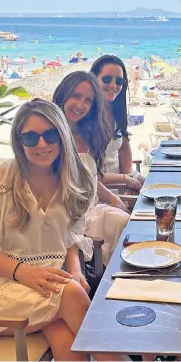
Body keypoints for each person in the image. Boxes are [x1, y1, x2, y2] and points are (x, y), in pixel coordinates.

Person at [0, 99, 120, 361]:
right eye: (30, 137)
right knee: (72, 295)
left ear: (62, 135)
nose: (42, 144)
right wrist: (24, 272)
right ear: (18, 141)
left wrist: (73, 269)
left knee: (68, 345)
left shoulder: (74, 178)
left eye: (50, 134)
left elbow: (71, 235)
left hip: (46, 283)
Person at [52, 72, 131, 263]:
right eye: (76, 96)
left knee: (128, 222)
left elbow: (91, 178)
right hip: (59, 212)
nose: (80, 105)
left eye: (88, 101)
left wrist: (113, 199)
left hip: (90, 207)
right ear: (63, 95)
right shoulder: (48, 134)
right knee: (122, 222)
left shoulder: (90, 134)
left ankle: (122, 281)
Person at [90, 55, 145, 189]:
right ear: (93, 79)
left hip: (123, 181)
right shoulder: (86, 116)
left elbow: (124, 147)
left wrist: (129, 176)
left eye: (119, 81)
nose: (114, 85)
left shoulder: (115, 111)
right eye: (107, 79)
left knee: (160, 187)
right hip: (100, 190)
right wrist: (125, 180)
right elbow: (88, 176)